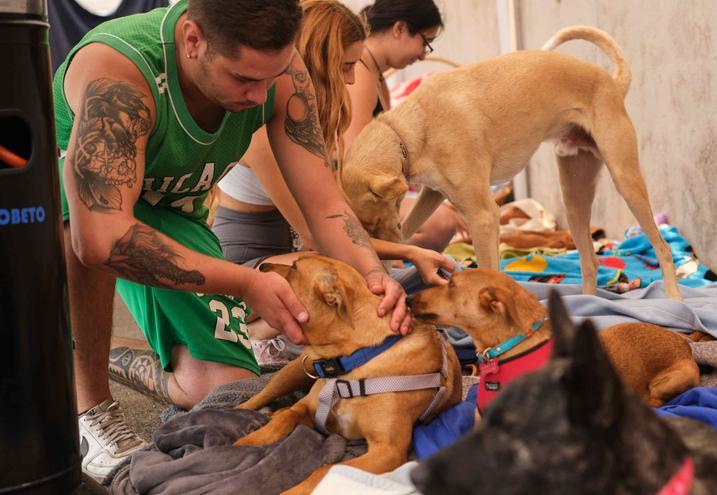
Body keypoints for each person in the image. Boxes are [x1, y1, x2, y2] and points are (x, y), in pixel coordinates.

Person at [55, 0, 408, 481]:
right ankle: (89, 406)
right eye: (243, 79)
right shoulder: (118, 69)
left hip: (169, 208)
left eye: (272, 76)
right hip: (74, 211)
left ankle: (110, 354)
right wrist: (246, 284)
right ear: (193, 39)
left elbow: (324, 203)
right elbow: (103, 239)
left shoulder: (278, 70)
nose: (260, 94)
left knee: (221, 388)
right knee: (81, 218)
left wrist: (373, 278)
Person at [212, 0, 455, 366]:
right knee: (350, 280)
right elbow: (318, 230)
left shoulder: (310, 116)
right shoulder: (262, 124)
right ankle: (254, 340)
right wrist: (405, 252)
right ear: (319, 61)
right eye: (346, 66)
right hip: (250, 265)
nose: (352, 79)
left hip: (298, 256)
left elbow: (332, 220)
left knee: (411, 280)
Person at [345, 0, 465, 252]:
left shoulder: (374, 74)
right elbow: (354, 162)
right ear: (399, 29)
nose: (423, 54)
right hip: (351, 197)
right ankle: (389, 261)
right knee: (440, 222)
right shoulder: (360, 74)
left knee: (445, 212)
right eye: (425, 42)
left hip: (365, 192)